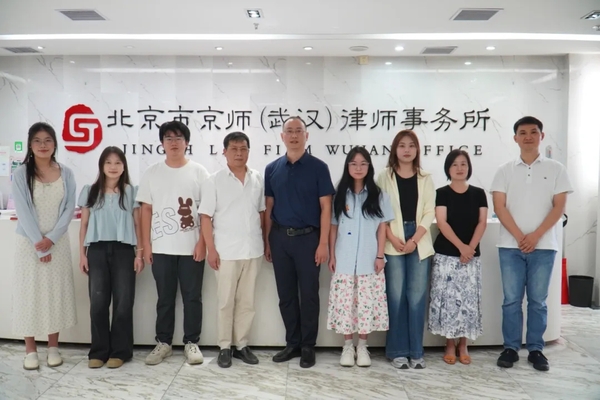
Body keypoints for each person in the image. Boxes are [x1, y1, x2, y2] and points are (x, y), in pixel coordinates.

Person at [491, 116, 572, 372]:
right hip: (510, 246)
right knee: (511, 301)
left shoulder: (556, 169)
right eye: (523, 132)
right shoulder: (504, 170)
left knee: (538, 301)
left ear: (541, 136)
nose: (528, 137)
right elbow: (499, 207)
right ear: (515, 138)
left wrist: (536, 235)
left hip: (544, 246)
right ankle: (510, 348)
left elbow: (559, 207)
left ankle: (536, 349)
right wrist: (519, 236)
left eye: (533, 132)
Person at [136, 120, 210, 366]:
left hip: (192, 248)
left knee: (192, 297)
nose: (174, 142)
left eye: (179, 138)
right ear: (162, 143)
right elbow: (145, 210)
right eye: (168, 138)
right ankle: (164, 343)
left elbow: (206, 212)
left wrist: (203, 243)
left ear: (187, 142)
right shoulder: (152, 173)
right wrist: (146, 246)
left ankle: (191, 342)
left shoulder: (199, 172)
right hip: (161, 248)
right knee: (164, 298)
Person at [264, 116, 335, 368]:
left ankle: (308, 346)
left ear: (306, 136)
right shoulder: (272, 168)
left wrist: (323, 243)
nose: (294, 135)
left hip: (309, 239)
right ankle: (292, 343)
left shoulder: (319, 167)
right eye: (289, 131)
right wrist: (267, 242)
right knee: (286, 295)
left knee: (309, 295)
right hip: (279, 239)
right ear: (282, 137)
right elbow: (269, 207)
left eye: (298, 131)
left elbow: (326, 207)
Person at [12, 122, 77, 370]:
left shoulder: (66, 173)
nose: (43, 145)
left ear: (54, 144)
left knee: (54, 293)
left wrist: (51, 240)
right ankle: (30, 350)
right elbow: (23, 211)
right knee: (29, 293)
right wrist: (40, 245)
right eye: (37, 140)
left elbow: (69, 208)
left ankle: (53, 347)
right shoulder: (21, 174)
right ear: (30, 145)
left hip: (57, 243)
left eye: (48, 140)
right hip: (29, 244)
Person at [199, 131, 265, 368]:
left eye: (243, 149)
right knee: (225, 302)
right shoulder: (214, 180)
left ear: (248, 151)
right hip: (225, 251)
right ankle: (224, 347)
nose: (239, 153)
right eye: (234, 149)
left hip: (253, 249)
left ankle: (242, 345)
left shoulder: (257, 178)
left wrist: (265, 242)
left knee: (247, 302)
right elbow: (205, 217)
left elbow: (261, 212)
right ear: (224, 152)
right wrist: (211, 249)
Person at [78, 146, 144, 369]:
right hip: (96, 251)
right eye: (108, 162)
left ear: (124, 166)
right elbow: (84, 225)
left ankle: (120, 352)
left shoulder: (131, 192)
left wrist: (139, 254)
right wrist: (82, 254)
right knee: (98, 303)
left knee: (123, 303)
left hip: (124, 251)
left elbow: (138, 225)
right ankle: (98, 351)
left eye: (117, 162)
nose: (113, 167)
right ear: (101, 166)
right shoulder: (90, 191)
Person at [327, 147, 393, 368]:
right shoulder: (338, 195)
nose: (358, 168)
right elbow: (333, 227)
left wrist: (380, 255)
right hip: (343, 258)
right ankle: (347, 346)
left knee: (366, 304)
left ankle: (363, 346)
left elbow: (382, 228)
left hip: (368, 259)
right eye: (354, 163)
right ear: (348, 166)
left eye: (363, 163)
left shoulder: (379, 196)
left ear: (369, 167)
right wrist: (332, 254)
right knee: (346, 304)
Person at [377, 129, 435, 370]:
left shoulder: (425, 177)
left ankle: (416, 352)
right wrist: (392, 237)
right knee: (396, 297)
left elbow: (429, 212)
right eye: (402, 145)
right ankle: (398, 351)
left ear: (417, 149)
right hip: (393, 240)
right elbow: (379, 212)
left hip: (419, 240)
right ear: (395, 149)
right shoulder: (384, 177)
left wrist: (415, 239)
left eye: (411, 145)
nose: (407, 149)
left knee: (417, 297)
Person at [428, 149, 488, 365]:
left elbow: (482, 222)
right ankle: (449, 344)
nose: (459, 168)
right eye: (454, 164)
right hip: (447, 255)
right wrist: (461, 247)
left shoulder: (479, 193)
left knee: (468, 302)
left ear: (469, 167)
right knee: (448, 302)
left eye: (463, 164)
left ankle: (463, 344)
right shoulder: (441, 193)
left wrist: (469, 248)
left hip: (471, 257)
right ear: (448, 169)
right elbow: (442, 222)